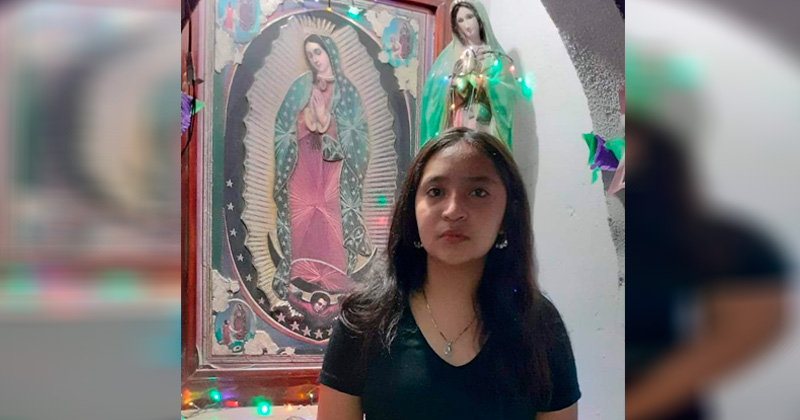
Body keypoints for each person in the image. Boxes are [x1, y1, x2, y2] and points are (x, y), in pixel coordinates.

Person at [317, 128, 580, 419]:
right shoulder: (364, 320)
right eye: (436, 192)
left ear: (508, 215)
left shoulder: (539, 325)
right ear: (412, 211)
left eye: (478, 192)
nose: (453, 210)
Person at [272, 34, 373, 325]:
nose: (315, 59)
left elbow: (358, 136)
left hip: (334, 170)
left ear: (330, 52)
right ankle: (300, 279)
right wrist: (308, 119)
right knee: (303, 218)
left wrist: (326, 122)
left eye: (318, 52)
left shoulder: (347, 91)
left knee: (330, 219)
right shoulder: (301, 86)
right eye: (310, 54)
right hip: (302, 161)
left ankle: (334, 284)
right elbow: (283, 125)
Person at [420, 1, 518, 149]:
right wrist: (457, 83)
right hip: (458, 121)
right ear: (455, 26)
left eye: (469, 17)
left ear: (479, 17)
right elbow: (435, 95)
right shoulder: (450, 58)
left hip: (485, 124)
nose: (466, 25)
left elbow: (506, 92)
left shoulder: (495, 57)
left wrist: (483, 83)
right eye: (460, 20)